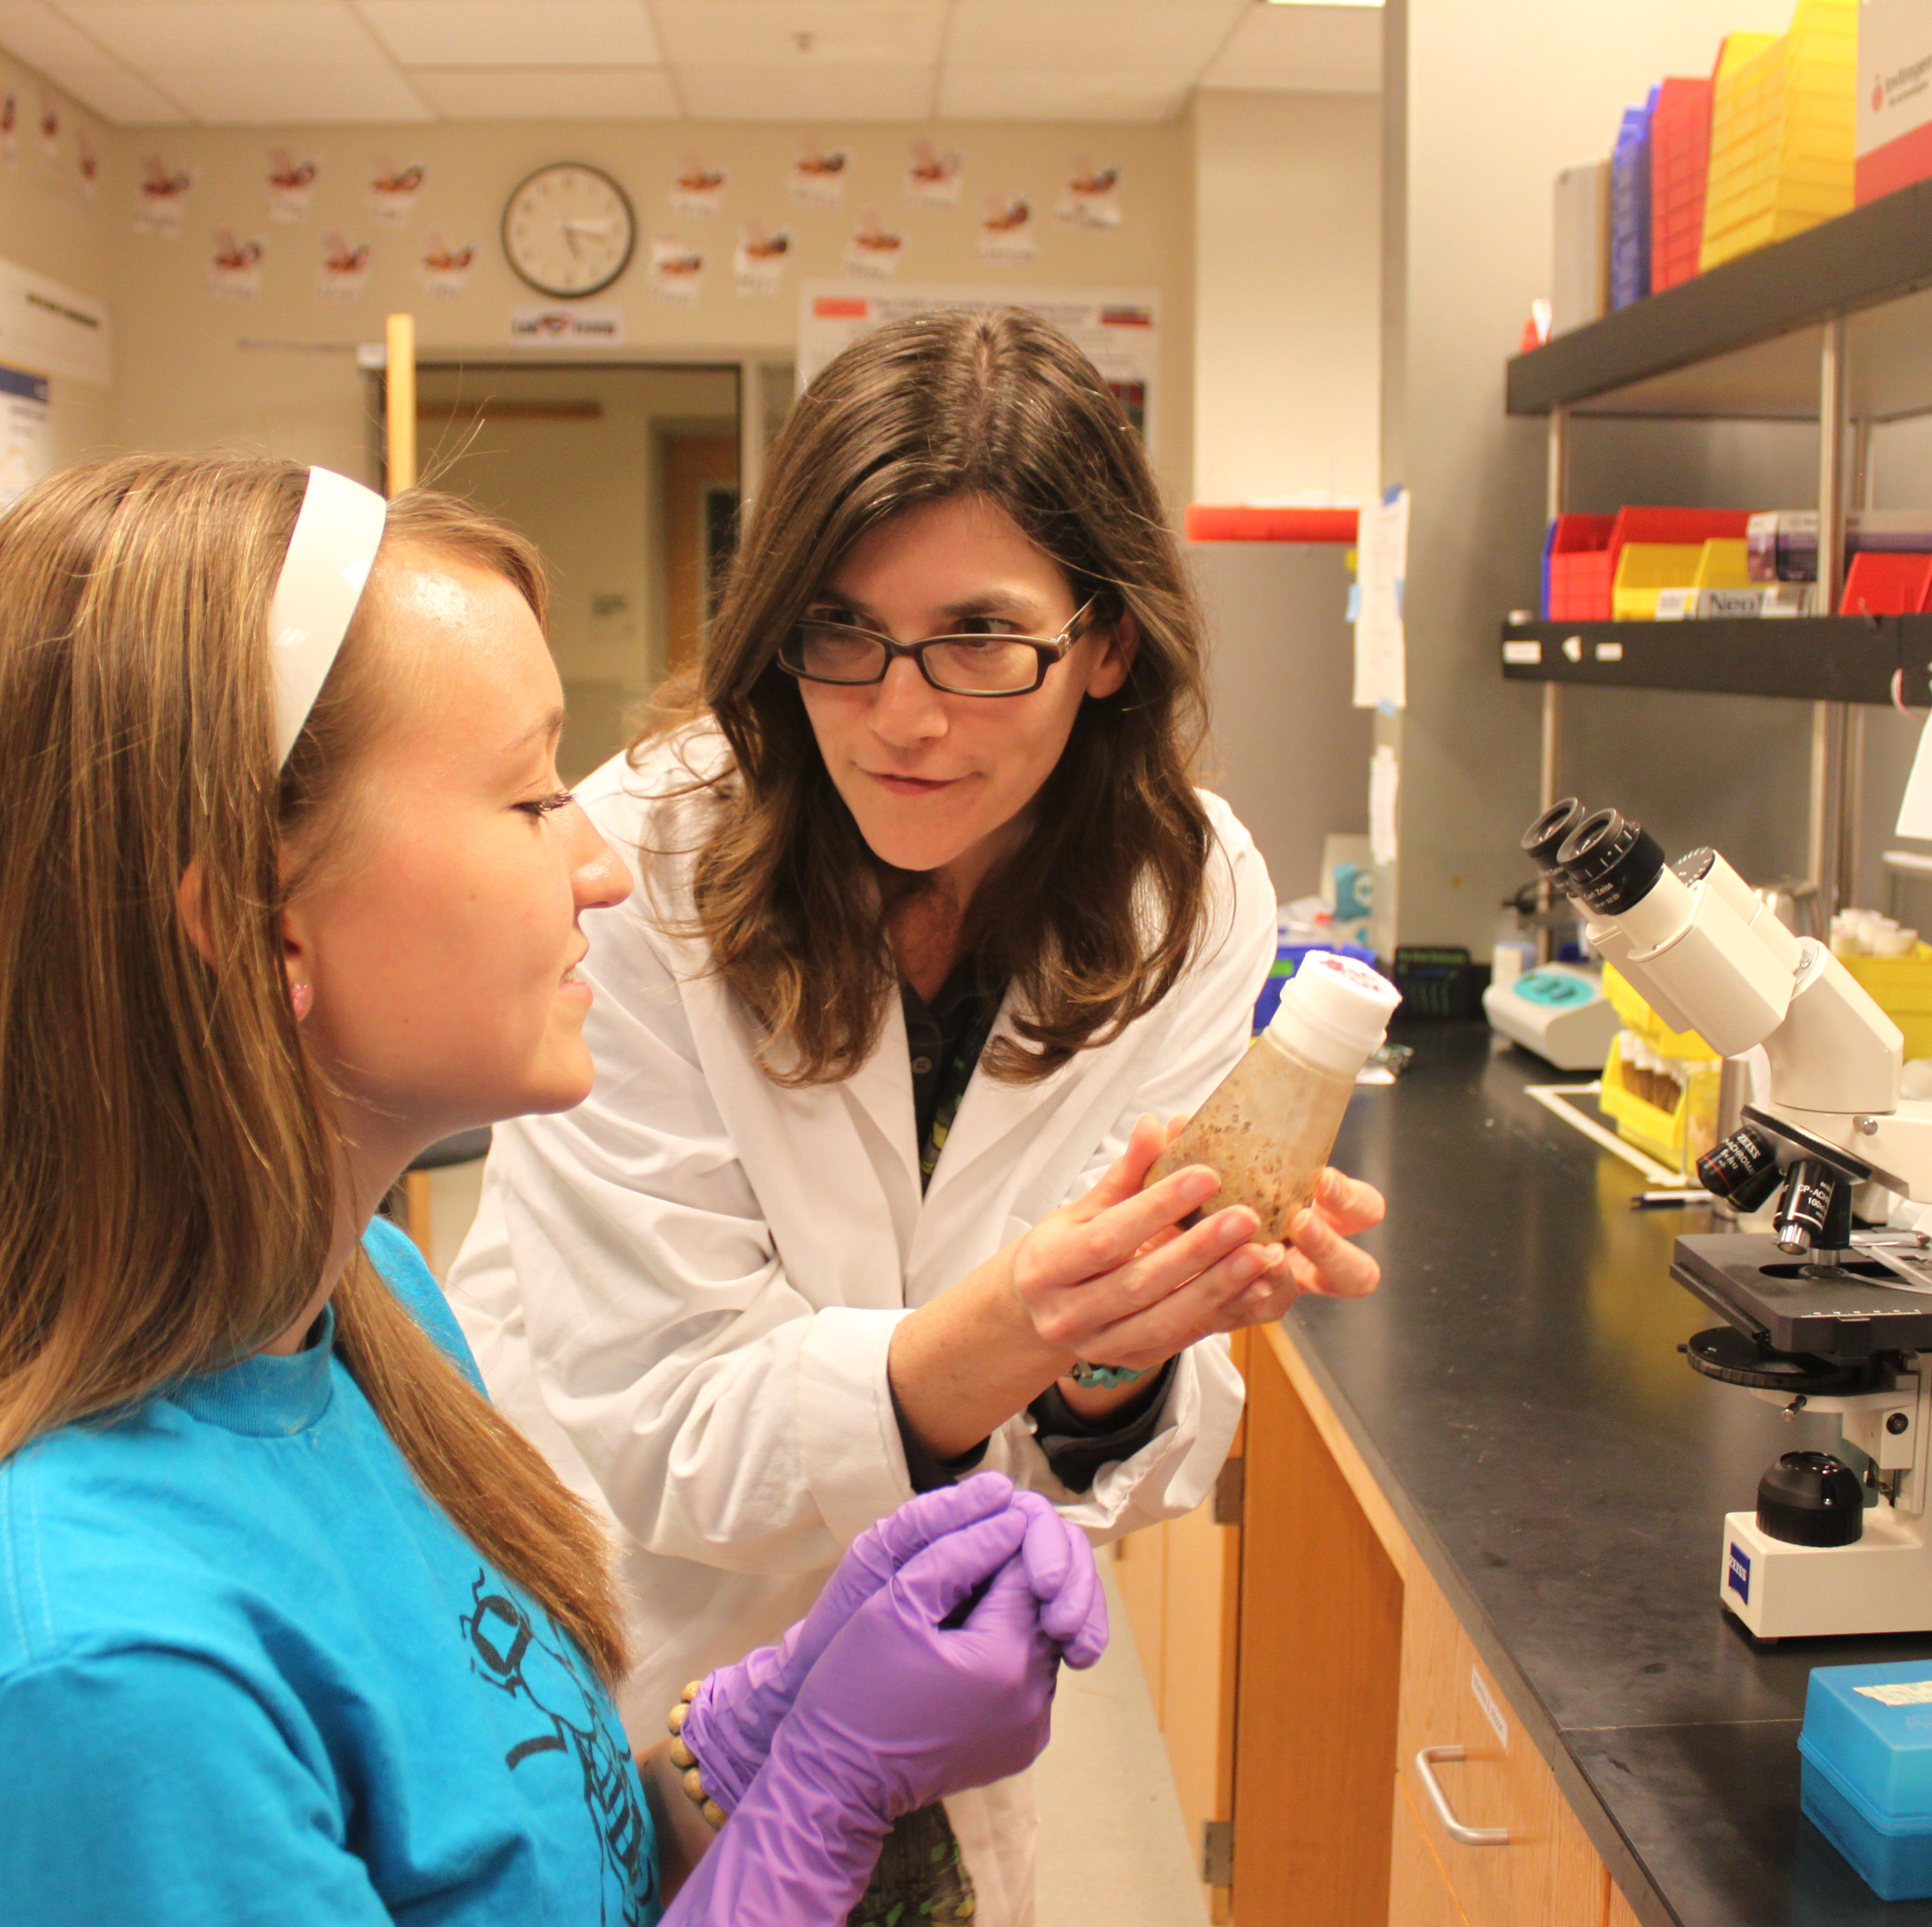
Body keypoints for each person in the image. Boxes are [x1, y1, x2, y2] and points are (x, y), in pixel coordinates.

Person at [0, 453, 1106, 1926]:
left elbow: (513, 1842)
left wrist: (768, 1730)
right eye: (533, 796)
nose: (604, 868)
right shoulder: (88, 1695)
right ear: (255, 918)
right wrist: (821, 1800)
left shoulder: (370, 1318)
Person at [448, 307, 1388, 1917]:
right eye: (843, 632)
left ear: (1105, 644)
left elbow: (1110, 1427)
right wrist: (1024, 1316)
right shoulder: (633, 864)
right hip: (628, 1630)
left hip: (947, 1667)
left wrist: (1120, 1345)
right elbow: (670, 1431)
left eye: (979, 637)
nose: (900, 715)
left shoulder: (1187, 890)